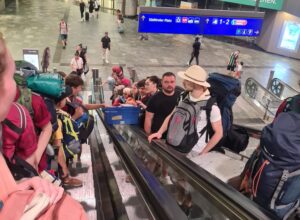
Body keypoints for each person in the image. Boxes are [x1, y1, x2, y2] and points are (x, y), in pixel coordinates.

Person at [0, 34, 87, 220]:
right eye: (10, 77)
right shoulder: (22, 111)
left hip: (22, 170)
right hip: (29, 167)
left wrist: (16, 187)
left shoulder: (21, 110)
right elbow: (49, 129)